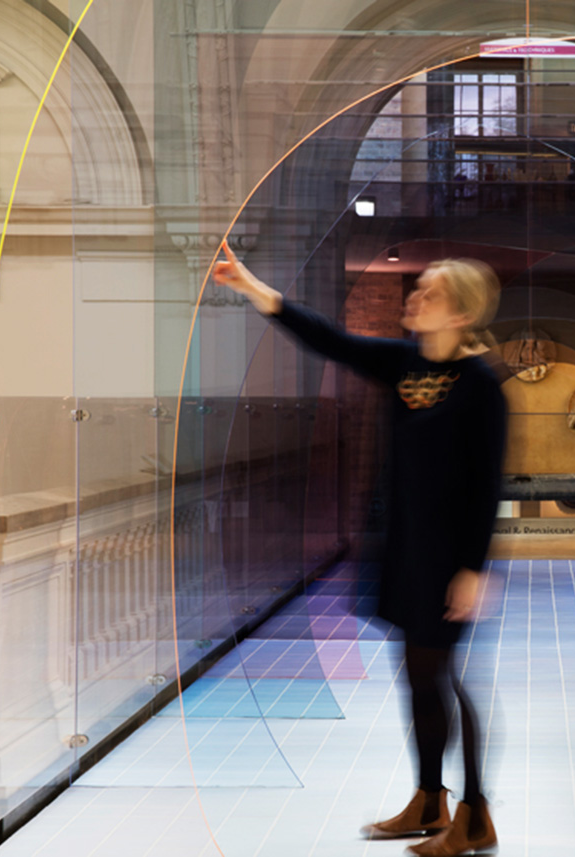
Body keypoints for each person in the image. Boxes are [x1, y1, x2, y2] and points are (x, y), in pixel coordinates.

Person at [214, 243, 507, 857]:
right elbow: (329, 340)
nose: (415, 297)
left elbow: (487, 483)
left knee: (443, 677)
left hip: (449, 556)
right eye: (418, 288)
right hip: (404, 545)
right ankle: (429, 800)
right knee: (417, 677)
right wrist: (249, 284)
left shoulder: (481, 386)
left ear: (458, 315)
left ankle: (474, 813)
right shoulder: (403, 364)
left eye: (430, 293)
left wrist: (473, 570)